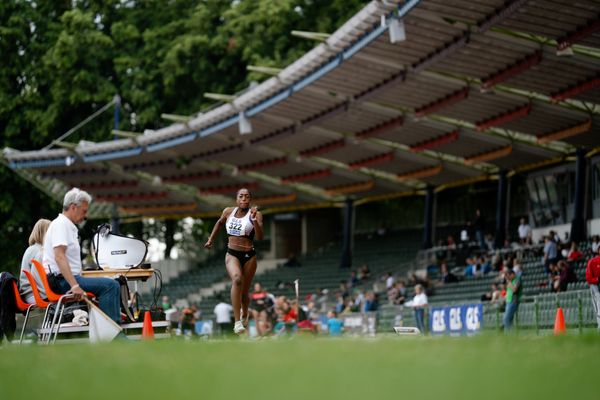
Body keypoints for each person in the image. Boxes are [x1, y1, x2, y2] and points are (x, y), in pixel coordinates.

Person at [42, 188, 121, 324]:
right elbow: (59, 257)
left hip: (64, 279)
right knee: (111, 285)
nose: (85, 215)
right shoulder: (61, 225)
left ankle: (111, 331)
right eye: (84, 211)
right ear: (73, 207)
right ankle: (112, 334)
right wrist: (74, 285)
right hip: (63, 281)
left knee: (112, 283)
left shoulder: (64, 225)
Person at [204, 188, 264, 334]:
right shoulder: (228, 211)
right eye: (241, 196)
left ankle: (245, 314)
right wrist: (211, 239)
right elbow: (219, 223)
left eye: (247, 197)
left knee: (244, 292)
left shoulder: (255, 214)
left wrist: (255, 220)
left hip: (249, 255)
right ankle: (237, 322)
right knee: (237, 280)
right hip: (232, 254)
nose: (244, 199)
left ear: (250, 200)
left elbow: (260, 237)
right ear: (236, 199)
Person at [19, 219, 51, 304]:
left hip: (28, 294)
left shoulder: (32, 249)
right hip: (34, 294)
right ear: (45, 233)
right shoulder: (39, 251)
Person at [585, 244, 600, 330]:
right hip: (596, 287)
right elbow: (589, 278)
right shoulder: (592, 261)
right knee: (599, 306)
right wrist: (597, 279)